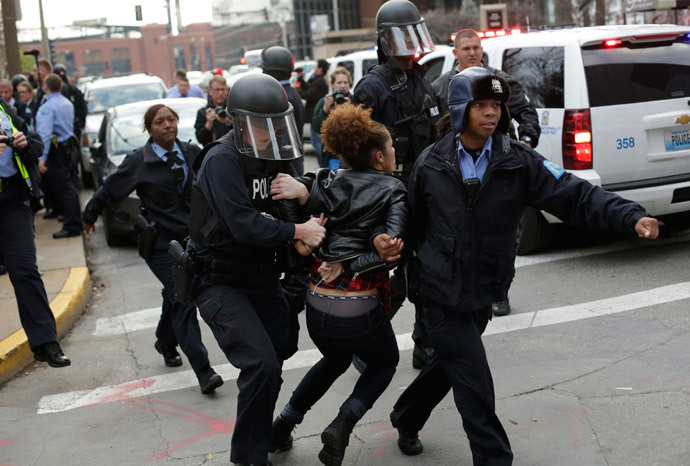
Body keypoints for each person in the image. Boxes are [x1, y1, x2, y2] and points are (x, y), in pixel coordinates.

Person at [388, 67, 659, 465]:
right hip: (439, 292)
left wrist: (629, 215)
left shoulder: (518, 161)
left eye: (496, 105)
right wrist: (399, 273)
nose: (490, 113)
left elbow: (574, 194)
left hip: (483, 290)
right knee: (474, 384)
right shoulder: (431, 163)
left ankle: (406, 416)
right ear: (461, 108)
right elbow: (410, 226)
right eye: (480, 104)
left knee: (452, 366)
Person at [187, 73, 326, 465]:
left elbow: (296, 205)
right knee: (260, 363)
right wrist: (298, 229)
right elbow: (242, 224)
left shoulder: (280, 153)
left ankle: (261, 433)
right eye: (258, 122)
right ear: (237, 120)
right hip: (220, 280)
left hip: (263, 276)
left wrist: (306, 215)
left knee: (279, 350)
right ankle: (249, 457)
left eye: (273, 122)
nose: (266, 131)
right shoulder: (221, 160)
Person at [268, 103, 407, 466]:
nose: (395, 152)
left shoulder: (322, 180)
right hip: (358, 304)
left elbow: (300, 214)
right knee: (385, 362)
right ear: (379, 156)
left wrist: (332, 254)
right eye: (391, 147)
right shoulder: (393, 189)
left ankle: (282, 425)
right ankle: (342, 424)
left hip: (316, 302)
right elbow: (393, 251)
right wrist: (353, 262)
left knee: (334, 357)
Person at [81, 104, 223, 394]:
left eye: (171, 119)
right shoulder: (138, 162)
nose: (167, 125)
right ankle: (204, 370)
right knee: (184, 297)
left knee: (174, 295)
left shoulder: (191, 152)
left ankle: (165, 340)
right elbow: (110, 189)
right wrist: (88, 215)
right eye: (159, 122)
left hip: (193, 241)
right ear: (149, 129)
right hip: (160, 245)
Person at [352, 0, 440, 370]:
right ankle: (362, 342)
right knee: (397, 279)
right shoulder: (371, 87)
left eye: (412, 33)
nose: (409, 44)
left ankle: (425, 346)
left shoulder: (421, 77)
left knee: (427, 273)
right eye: (401, 36)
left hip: (425, 187)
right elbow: (355, 152)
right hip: (390, 192)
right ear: (386, 41)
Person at [433, 28, 543, 316]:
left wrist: (525, 143)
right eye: (466, 48)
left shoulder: (500, 81)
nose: (472, 53)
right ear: (454, 53)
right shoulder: (442, 86)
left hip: (499, 171)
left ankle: (499, 291)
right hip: (458, 173)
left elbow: (527, 113)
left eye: (476, 47)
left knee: (505, 236)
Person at [0, 95, 71, 367]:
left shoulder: (4, 107)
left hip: (12, 202)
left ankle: (45, 343)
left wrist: (23, 143)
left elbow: (37, 144)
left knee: (25, 270)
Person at [35, 73, 83, 239]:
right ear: (61, 86)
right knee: (69, 187)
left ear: (45, 87)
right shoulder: (66, 103)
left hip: (58, 152)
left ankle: (72, 225)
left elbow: (45, 135)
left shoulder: (47, 107)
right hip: (69, 149)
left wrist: (41, 158)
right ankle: (74, 221)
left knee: (64, 189)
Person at [261, 45, 306, 175]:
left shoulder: (280, 97)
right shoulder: (289, 93)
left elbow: (282, 138)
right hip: (292, 161)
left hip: (286, 166)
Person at [311, 66, 353, 169]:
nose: (343, 86)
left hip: (352, 154)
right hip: (331, 156)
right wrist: (325, 110)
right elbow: (316, 128)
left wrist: (350, 110)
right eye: (339, 83)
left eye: (345, 82)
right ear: (332, 84)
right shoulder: (324, 101)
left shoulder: (354, 100)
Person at [298, 59, 329, 166]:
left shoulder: (320, 82)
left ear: (320, 69)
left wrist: (297, 90)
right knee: (317, 144)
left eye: (316, 67)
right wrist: (301, 79)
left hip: (317, 117)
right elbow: (309, 88)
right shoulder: (317, 80)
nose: (314, 69)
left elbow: (309, 94)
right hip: (314, 116)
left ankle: (323, 167)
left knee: (318, 145)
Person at [194, 75, 232, 146]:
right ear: (210, 91)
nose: (220, 93)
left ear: (227, 90)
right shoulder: (203, 113)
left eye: (223, 89)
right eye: (217, 90)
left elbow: (243, 134)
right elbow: (200, 139)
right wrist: (208, 125)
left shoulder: (233, 110)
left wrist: (229, 122)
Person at [53, 64, 88, 141]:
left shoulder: (73, 90)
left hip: (73, 125)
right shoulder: (55, 93)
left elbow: (82, 106)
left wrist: (81, 122)